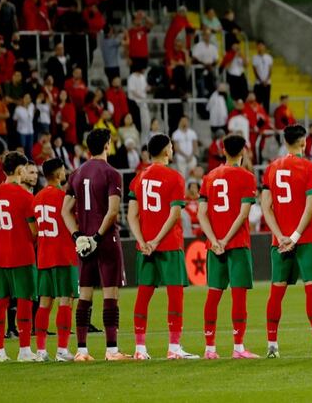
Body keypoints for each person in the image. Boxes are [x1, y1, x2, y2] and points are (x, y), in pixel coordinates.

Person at [259, 124, 312, 358]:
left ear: (285, 142)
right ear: (304, 143)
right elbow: (311, 206)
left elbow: (265, 206)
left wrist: (280, 236)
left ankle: (272, 347)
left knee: (276, 293)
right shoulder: (309, 167)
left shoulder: (271, 168)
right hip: (305, 238)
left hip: (280, 240)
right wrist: (295, 237)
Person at [61, 128, 131, 361]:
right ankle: (112, 350)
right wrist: (97, 238)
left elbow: (65, 211)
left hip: (84, 242)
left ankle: (82, 351)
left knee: (85, 295)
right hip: (106, 240)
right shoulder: (111, 173)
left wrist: (77, 236)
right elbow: (112, 211)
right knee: (110, 294)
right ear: (107, 144)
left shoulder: (76, 173)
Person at [126, 134, 196, 359]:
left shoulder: (138, 178)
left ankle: (139, 349)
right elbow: (174, 214)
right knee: (175, 295)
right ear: (166, 151)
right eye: (171, 147)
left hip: (145, 246)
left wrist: (142, 241)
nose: (173, 150)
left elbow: (131, 215)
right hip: (168, 244)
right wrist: (156, 241)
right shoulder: (175, 177)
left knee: (143, 295)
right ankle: (174, 348)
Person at [196, 134, 259, 359]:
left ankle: (209, 348)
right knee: (238, 296)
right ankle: (238, 348)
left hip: (214, 246)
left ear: (223, 151)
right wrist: (225, 240)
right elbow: (243, 214)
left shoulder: (209, 177)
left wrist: (214, 240)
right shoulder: (247, 177)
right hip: (237, 244)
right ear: (243, 151)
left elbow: (201, 214)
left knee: (213, 295)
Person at [0, 152, 39, 363]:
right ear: (19, 170)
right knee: (25, 301)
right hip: (22, 254)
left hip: (0, 255)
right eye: (25, 168)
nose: (27, 172)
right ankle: (24, 350)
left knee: (1, 302)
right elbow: (34, 231)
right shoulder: (25, 196)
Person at [33, 158, 79, 361]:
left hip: (44, 256)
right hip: (64, 254)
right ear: (59, 173)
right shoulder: (64, 197)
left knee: (44, 303)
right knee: (66, 300)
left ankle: (41, 350)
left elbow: (33, 229)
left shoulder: (37, 198)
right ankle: (62, 349)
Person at [251, 42, 273, 112]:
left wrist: (266, 80)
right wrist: (261, 81)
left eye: (262, 46)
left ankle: (266, 116)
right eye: (259, 46)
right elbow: (255, 71)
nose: (260, 48)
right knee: (257, 101)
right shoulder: (255, 57)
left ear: (264, 47)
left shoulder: (269, 57)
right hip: (258, 83)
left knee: (266, 102)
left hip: (267, 83)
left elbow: (270, 70)